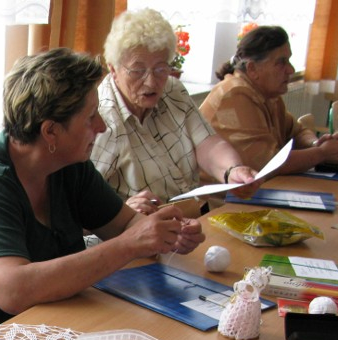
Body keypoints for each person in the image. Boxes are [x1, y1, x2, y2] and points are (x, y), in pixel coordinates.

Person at [0, 47, 206, 340]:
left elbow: (125, 226)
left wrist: (164, 234)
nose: (101, 126)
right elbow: (13, 291)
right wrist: (130, 244)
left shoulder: (69, 165)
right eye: (90, 117)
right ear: (50, 132)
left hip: (37, 326)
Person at [91, 8, 257, 216]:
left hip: (191, 218)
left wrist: (232, 170)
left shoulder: (172, 91)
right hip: (141, 228)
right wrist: (121, 211)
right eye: (138, 71)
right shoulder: (101, 119)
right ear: (114, 70)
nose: (151, 82)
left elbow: (208, 144)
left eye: (161, 69)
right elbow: (80, 202)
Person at [200, 25, 338, 175]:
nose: (291, 70)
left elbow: (297, 132)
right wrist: (322, 153)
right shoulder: (235, 94)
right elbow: (268, 164)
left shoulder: (268, 95)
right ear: (252, 69)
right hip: (221, 193)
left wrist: (316, 144)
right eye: (281, 62)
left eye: (288, 60)